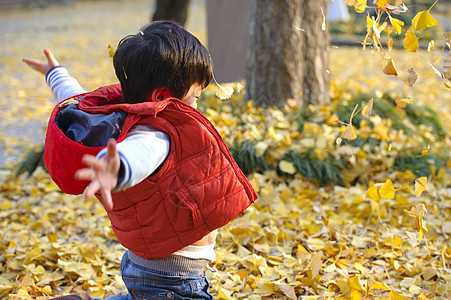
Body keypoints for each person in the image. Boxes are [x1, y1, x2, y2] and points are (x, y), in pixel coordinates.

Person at [23, 21, 257, 300]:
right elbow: (139, 153)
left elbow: (76, 98)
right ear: (162, 98)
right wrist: (117, 168)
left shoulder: (120, 116)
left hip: (149, 267)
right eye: (195, 97)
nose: (197, 105)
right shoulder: (158, 132)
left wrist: (56, 74)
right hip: (172, 279)